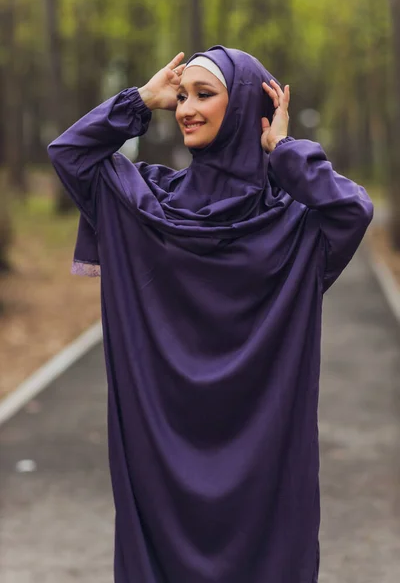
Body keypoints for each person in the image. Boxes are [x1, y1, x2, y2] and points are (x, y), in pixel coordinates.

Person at [47, 46, 373, 583]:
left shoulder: (291, 221)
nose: (184, 109)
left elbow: (353, 210)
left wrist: (285, 152)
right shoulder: (148, 202)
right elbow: (69, 154)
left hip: (263, 455)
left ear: (248, 107)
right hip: (160, 448)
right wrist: (138, 102)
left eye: (204, 94)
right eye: (180, 97)